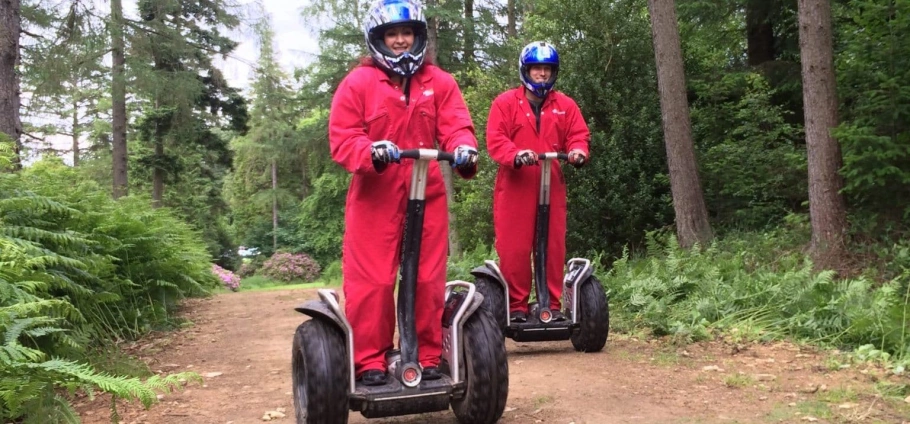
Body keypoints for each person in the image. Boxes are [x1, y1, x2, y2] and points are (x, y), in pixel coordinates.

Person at [328, 0, 479, 386]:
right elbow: (343, 139)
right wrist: (370, 152)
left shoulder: (440, 82)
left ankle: (427, 356)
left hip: (426, 190)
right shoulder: (358, 83)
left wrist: (463, 148)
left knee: (427, 278)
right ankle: (369, 361)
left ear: (418, 37)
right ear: (378, 38)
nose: (399, 41)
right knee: (373, 281)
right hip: (375, 194)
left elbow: (457, 126)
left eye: (406, 33)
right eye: (391, 34)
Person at [485, 41, 590, 323]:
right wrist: (515, 154)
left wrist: (578, 150)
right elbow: (496, 140)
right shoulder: (505, 103)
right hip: (516, 183)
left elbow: (578, 135)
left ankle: (551, 304)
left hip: (551, 182)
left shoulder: (565, 105)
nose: (542, 74)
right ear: (526, 71)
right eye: (536, 69)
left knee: (552, 244)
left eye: (547, 69)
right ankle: (516, 307)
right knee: (514, 247)